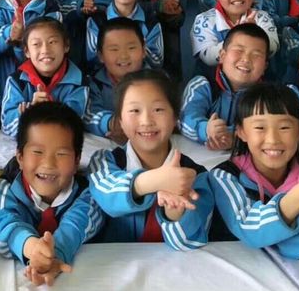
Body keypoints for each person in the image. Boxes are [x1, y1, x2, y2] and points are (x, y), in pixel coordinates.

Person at [209, 83, 299, 259]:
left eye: (284, 128)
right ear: (241, 132)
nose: (273, 139)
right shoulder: (225, 176)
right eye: (260, 128)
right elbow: (250, 231)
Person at [88, 70, 214, 248]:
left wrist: (174, 213)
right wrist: (153, 181)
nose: (146, 121)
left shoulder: (195, 175)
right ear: (120, 121)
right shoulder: (104, 162)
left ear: (175, 118)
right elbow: (107, 196)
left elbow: (190, 241)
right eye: (135, 110)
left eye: (158, 110)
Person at [0, 102, 104, 286]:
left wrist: (54, 255)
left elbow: (77, 225)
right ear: (20, 157)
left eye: (61, 154)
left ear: (77, 161)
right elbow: (4, 224)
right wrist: (32, 248)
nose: (48, 163)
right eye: (37, 152)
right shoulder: (7, 187)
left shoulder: (89, 193)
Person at [180, 23, 269, 149]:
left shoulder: (268, 96)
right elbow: (184, 120)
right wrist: (206, 129)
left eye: (256, 55)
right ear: (222, 56)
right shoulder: (203, 84)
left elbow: (269, 128)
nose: (246, 59)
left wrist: (235, 137)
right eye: (239, 50)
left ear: (265, 66)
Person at [0, 18, 88, 138]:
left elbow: (73, 125)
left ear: (66, 46)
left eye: (52, 42)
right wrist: (31, 110)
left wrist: (40, 112)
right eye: (36, 44)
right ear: (26, 51)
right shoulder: (16, 81)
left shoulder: (79, 82)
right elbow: (7, 125)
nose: (45, 50)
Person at [191, 0, 278, 70]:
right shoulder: (203, 20)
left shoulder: (262, 17)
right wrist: (240, 36)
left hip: (253, 77)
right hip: (212, 78)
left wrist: (255, 32)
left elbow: (273, 48)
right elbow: (208, 57)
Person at [86, 18, 146, 140]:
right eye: (114, 49)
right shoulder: (94, 84)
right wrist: (110, 123)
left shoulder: (159, 82)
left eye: (131, 48)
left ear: (144, 51)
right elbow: (89, 115)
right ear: (101, 56)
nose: (123, 56)